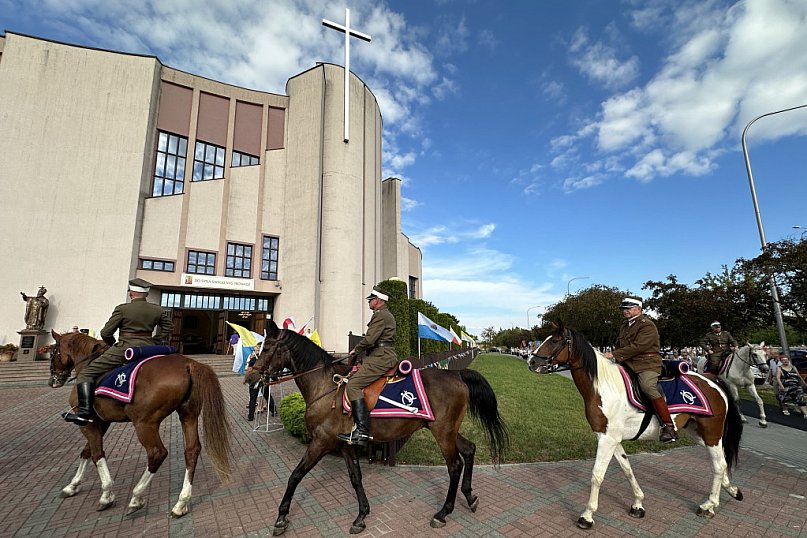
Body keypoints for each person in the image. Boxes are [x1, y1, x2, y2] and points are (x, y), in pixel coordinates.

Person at [63, 278, 173, 426]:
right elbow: (168, 327)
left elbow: (106, 332)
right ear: (146, 294)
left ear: (131, 293)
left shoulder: (122, 309)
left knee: (86, 373)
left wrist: (113, 344)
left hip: (124, 348)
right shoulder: (157, 310)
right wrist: (155, 341)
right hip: (149, 348)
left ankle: (84, 413)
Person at [604, 297, 677, 443]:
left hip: (647, 364)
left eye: (629, 308)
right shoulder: (625, 326)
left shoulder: (647, 325)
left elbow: (639, 346)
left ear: (639, 309)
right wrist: (612, 357)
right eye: (624, 309)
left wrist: (614, 354)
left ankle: (668, 426)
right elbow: (619, 344)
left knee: (647, 386)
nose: (625, 311)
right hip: (627, 363)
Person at [337, 286, 397, 446]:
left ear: (378, 300)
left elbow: (370, 340)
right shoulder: (383, 314)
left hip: (381, 357)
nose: (369, 302)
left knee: (353, 385)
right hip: (379, 355)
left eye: (371, 299)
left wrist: (355, 349)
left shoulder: (380, 315)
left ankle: (362, 432)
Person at [244, 351, 276, 421]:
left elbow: (249, 369)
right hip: (261, 379)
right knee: (266, 396)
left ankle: (250, 416)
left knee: (253, 398)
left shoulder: (256, 359)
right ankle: (274, 411)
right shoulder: (264, 359)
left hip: (257, 379)